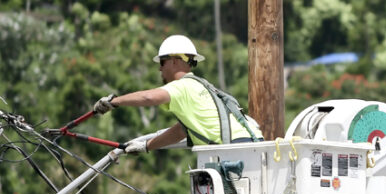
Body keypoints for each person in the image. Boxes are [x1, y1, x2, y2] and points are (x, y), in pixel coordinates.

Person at [92, 35, 262, 153]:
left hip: (236, 148)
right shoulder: (201, 86)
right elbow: (181, 131)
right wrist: (146, 146)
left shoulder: (183, 86)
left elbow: (149, 97)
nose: (159, 68)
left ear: (174, 61)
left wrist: (114, 101)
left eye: (162, 62)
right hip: (251, 145)